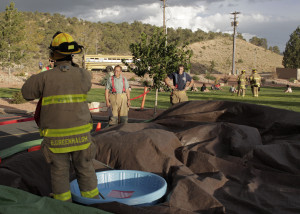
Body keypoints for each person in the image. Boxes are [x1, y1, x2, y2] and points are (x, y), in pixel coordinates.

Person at [21, 31, 99, 202]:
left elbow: (26, 92)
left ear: (52, 54)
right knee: (86, 171)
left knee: (59, 175)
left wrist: (43, 73)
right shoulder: (83, 75)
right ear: (72, 54)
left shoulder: (44, 77)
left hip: (56, 142)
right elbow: (84, 84)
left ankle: (63, 207)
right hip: (81, 139)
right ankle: (93, 205)